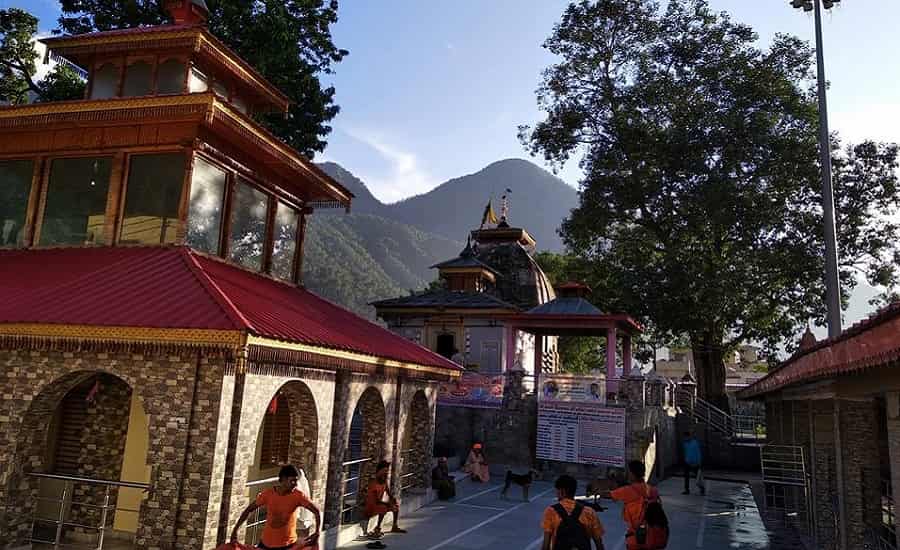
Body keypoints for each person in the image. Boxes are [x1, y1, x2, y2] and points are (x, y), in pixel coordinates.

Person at [230, 464, 320, 550]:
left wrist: (317, 532)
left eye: (296, 481)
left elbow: (316, 511)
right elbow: (249, 510)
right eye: (292, 481)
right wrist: (235, 530)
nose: (295, 484)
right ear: (283, 479)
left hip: (288, 545)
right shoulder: (268, 494)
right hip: (265, 544)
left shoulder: (298, 496)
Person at [540, 475, 605, 550]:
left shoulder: (551, 511)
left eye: (557, 491)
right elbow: (599, 544)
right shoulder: (589, 512)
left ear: (562, 491)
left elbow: (546, 545)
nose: (557, 494)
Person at [607, 460, 660, 550]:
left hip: (636, 536)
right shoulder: (653, 490)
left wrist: (597, 490)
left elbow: (609, 494)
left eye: (628, 472)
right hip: (653, 535)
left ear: (632, 474)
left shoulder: (628, 490)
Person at [363, 460, 407, 538]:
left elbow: (387, 490)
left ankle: (394, 526)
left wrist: (392, 499)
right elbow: (376, 500)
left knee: (395, 505)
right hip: (372, 504)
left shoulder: (383, 478)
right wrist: (387, 503)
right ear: (380, 470)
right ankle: (378, 528)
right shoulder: (374, 481)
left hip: (379, 502)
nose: (386, 472)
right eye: (385, 470)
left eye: (387, 470)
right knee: (383, 508)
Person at [682, 430, 705, 495]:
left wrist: (699, 462)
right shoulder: (685, 444)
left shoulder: (695, 443)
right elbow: (686, 452)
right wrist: (685, 459)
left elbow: (698, 453)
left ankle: (702, 488)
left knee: (697, 477)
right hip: (687, 462)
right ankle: (687, 490)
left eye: (686, 437)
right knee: (686, 477)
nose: (685, 439)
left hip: (695, 463)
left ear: (689, 437)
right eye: (684, 437)